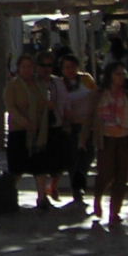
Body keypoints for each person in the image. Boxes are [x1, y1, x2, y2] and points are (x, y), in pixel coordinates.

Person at [2, 54, 59, 210]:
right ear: (19, 68)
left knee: (40, 166)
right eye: (24, 67)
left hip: (38, 133)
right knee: (17, 168)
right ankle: (6, 196)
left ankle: (42, 198)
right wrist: (24, 122)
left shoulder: (39, 85)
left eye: (30, 66)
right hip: (19, 132)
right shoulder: (13, 86)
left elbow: (43, 103)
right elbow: (10, 107)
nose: (27, 70)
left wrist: (48, 108)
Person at [88, 63, 128, 226]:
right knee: (106, 173)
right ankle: (97, 198)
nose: (121, 77)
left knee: (122, 176)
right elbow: (89, 117)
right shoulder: (99, 95)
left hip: (125, 139)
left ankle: (114, 212)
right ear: (110, 76)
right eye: (118, 74)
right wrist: (84, 139)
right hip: (106, 139)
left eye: (123, 74)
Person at [49, 53, 96, 207]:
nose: (70, 70)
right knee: (73, 158)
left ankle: (79, 182)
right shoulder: (58, 84)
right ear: (62, 69)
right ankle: (77, 189)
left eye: (73, 67)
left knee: (88, 156)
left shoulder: (86, 79)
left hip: (88, 125)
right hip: (70, 126)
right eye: (67, 67)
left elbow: (96, 95)